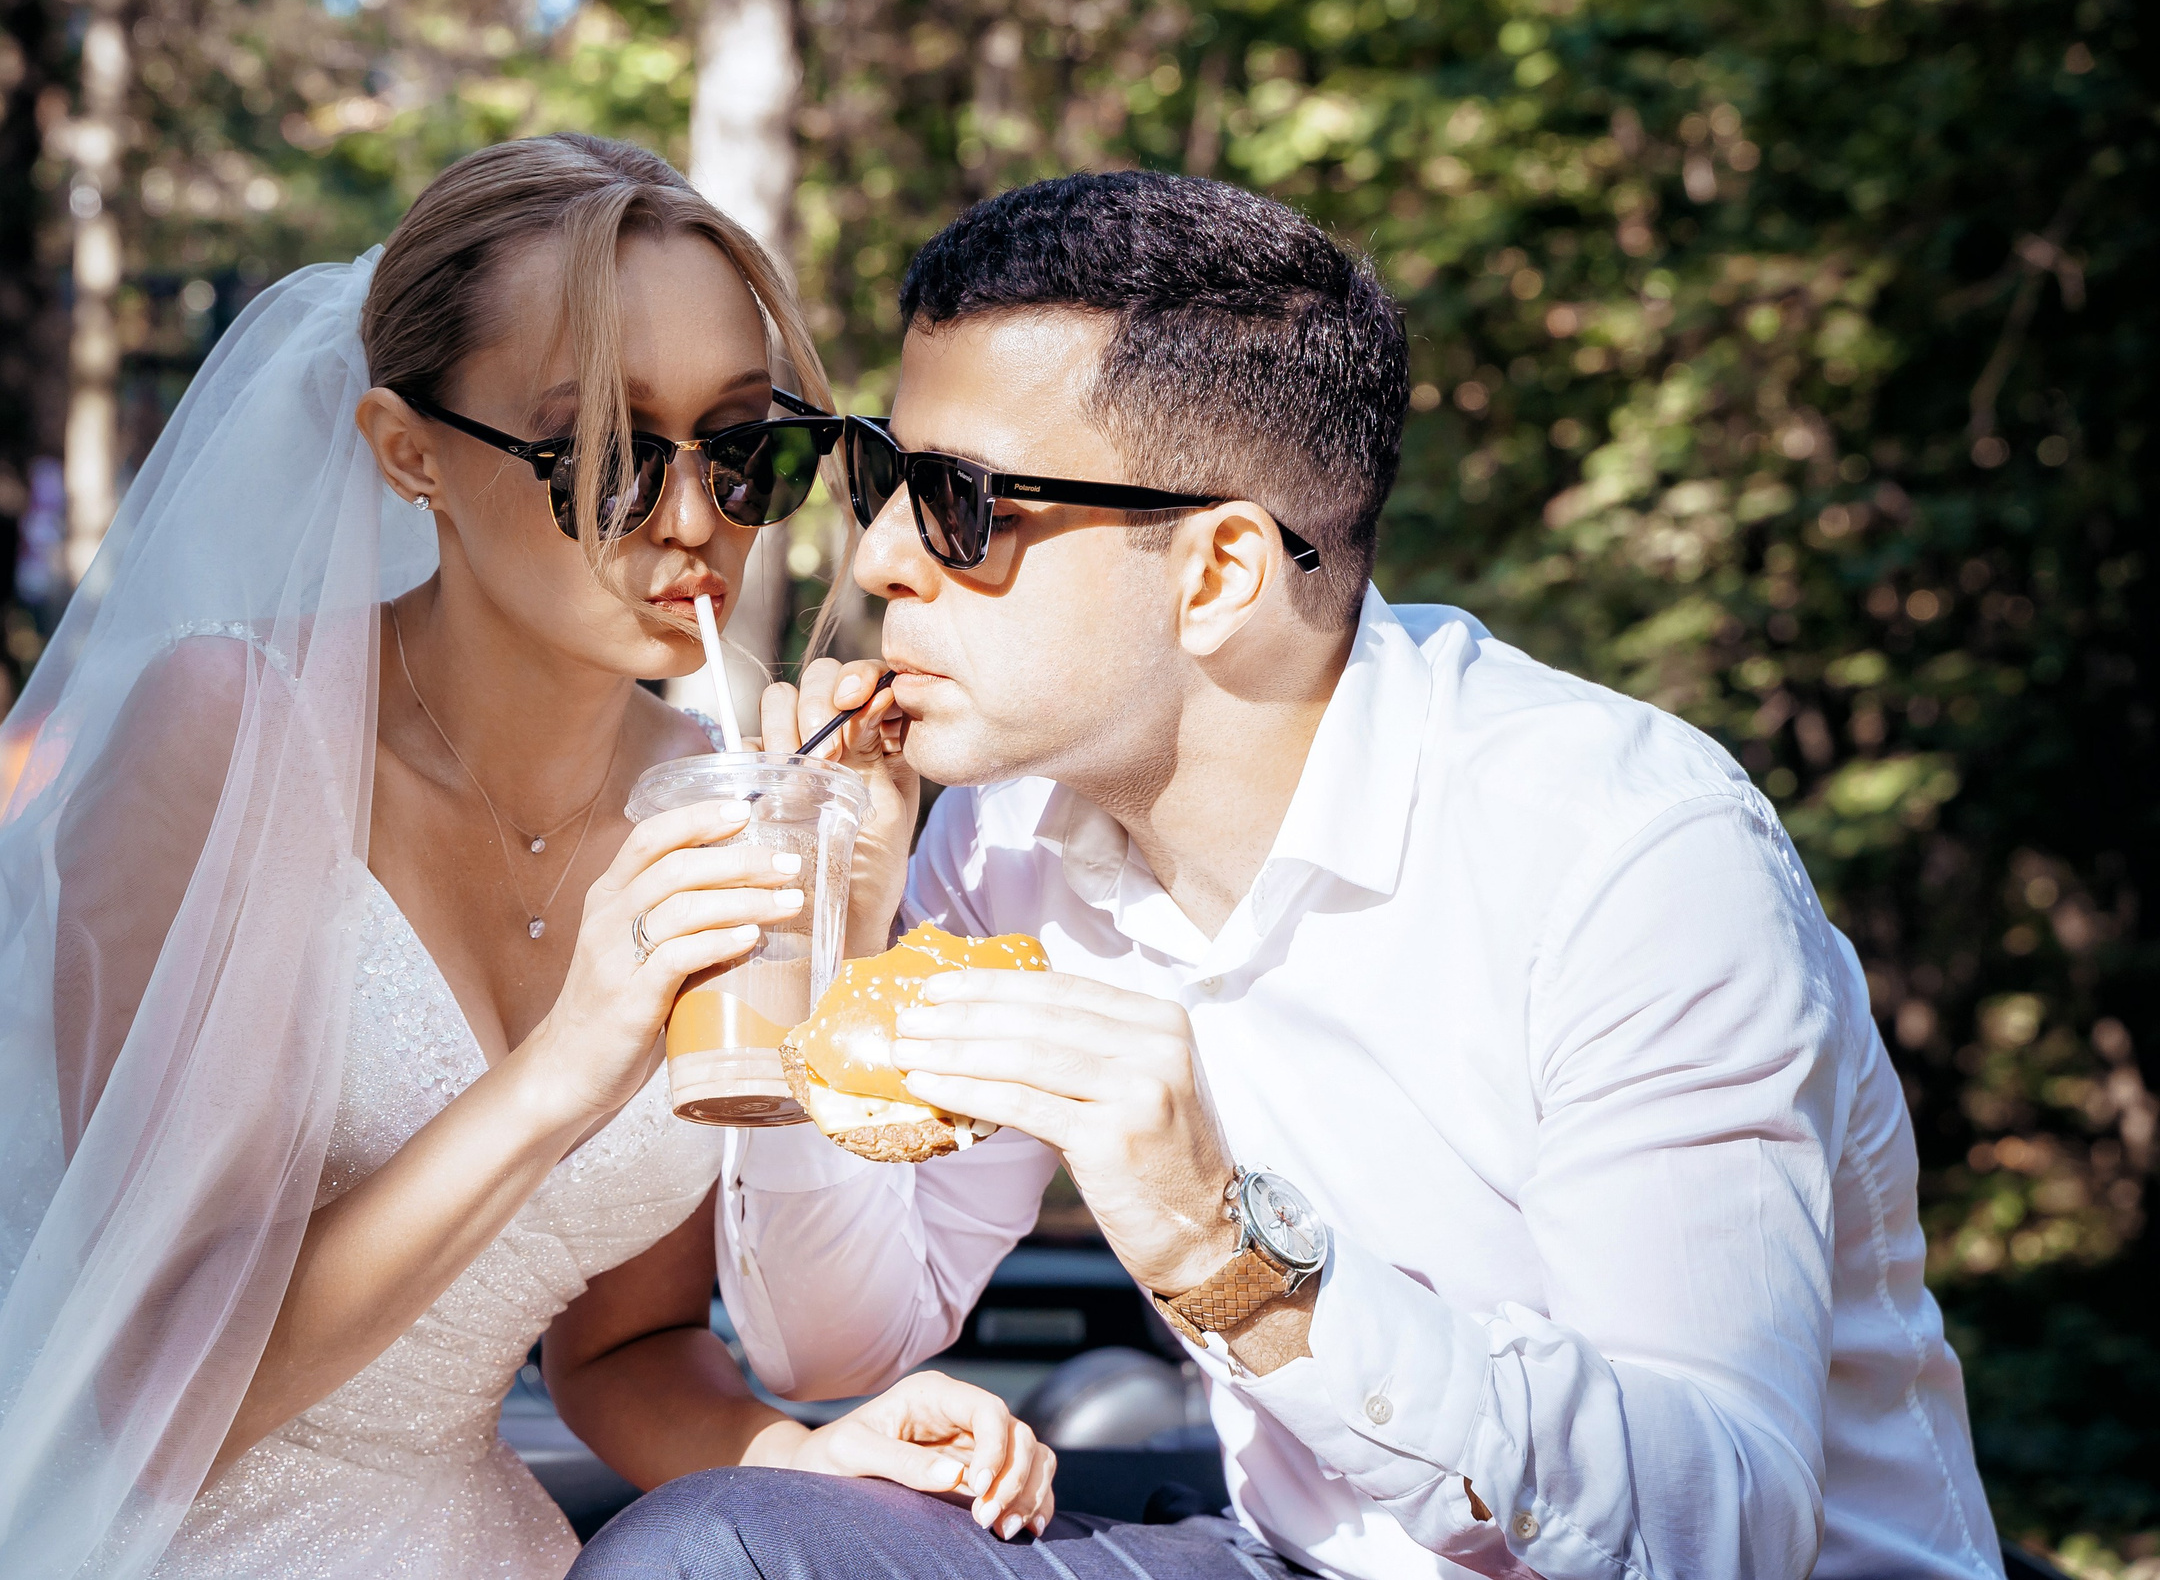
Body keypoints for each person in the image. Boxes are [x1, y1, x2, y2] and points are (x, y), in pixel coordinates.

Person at [0, 135, 1054, 1579]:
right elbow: (147, 1387)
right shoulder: (227, 734)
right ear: (407, 449)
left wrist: (805, 1451)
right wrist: (565, 1069)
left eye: (748, 451)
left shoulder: (712, 797)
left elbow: (625, 1342)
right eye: (604, 458)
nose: (693, 521)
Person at [573, 171, 2004, 1580]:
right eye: (886, 472)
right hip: (1291, 1557)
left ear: (1219, 575)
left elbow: (1727, 1528)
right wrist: (836, 928)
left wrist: (1233, 1251)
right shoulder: (1005, 829)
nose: (880, 552)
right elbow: (834, 1341)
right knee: (709, 1551)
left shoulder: (1626, 853)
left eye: (961, 504)